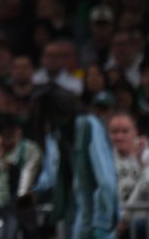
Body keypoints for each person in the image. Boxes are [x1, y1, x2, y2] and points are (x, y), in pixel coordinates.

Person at [31, 84, 118, 239]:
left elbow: (106, 179)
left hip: (96, 221)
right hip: (75, 219)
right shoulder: (58, 134)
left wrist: (102, 223)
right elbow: (56, 178)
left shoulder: (89, 126)